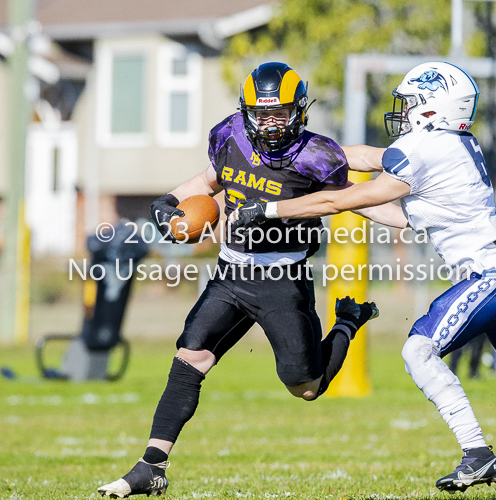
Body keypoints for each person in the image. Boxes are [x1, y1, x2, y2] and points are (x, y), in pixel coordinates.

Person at [231, 61, 496, 492]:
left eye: (409, 103)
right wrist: (316, 172)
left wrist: (270, 207)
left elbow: (359, 190)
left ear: (432, 106)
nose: (403, 111)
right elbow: (386, 203)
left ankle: (477, 453)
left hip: (491, 276)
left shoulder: (427, 147)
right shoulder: (449, 145)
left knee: (418, 350)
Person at [97, 62, 379, 498]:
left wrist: (408, 214)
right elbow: (211, 180)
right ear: (246, 111)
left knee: (306, 388)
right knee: (191, 355)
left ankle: (347, 322)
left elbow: (354, 199)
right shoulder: (230, 134)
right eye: (261, 114)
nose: (269, 124)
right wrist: (171, 199)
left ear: (299, 111)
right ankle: (151, 466)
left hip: (283, 281)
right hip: (231, 272)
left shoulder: (315, 155)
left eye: (279, 113)